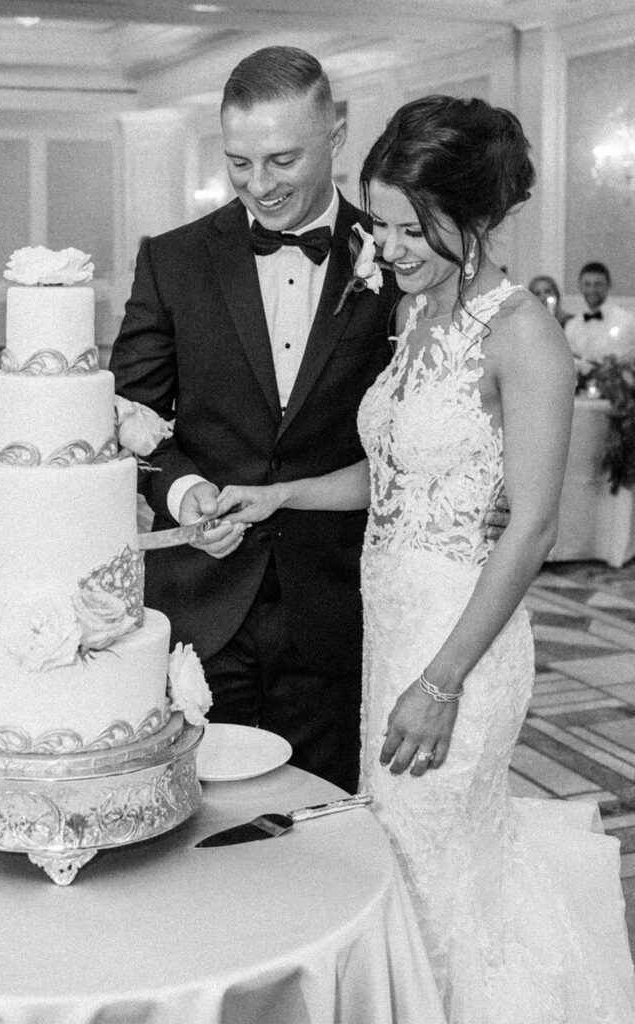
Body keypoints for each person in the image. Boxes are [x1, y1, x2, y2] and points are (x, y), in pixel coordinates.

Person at [216, 96, 635, 1021]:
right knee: (401, 857)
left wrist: (442, 682)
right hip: (393, 628)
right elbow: (396, 477)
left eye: (414, 228)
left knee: (438, 856)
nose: (390, 246)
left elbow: (532, 529)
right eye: (383, 223)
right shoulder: (412, 316)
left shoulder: (521, 331)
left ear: (475, 218)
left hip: (462, 649)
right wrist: (282, 494)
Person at [110, 46, 402, 792]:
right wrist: (183, 492)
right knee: (200, 817)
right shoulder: (172, 260)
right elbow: (130, 418)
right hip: (202, 600)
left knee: (322, 812)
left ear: (335, 136)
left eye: (280, 160)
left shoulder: (397, 260)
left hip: (338, 600)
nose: (259, 186)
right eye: (240, 162)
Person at [565, 260, 635, 364]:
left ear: (609, 285)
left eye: (598, 284)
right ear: (580, 287)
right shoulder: (572, 326)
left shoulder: (627, 321)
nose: (592, 290)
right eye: (587, 284)